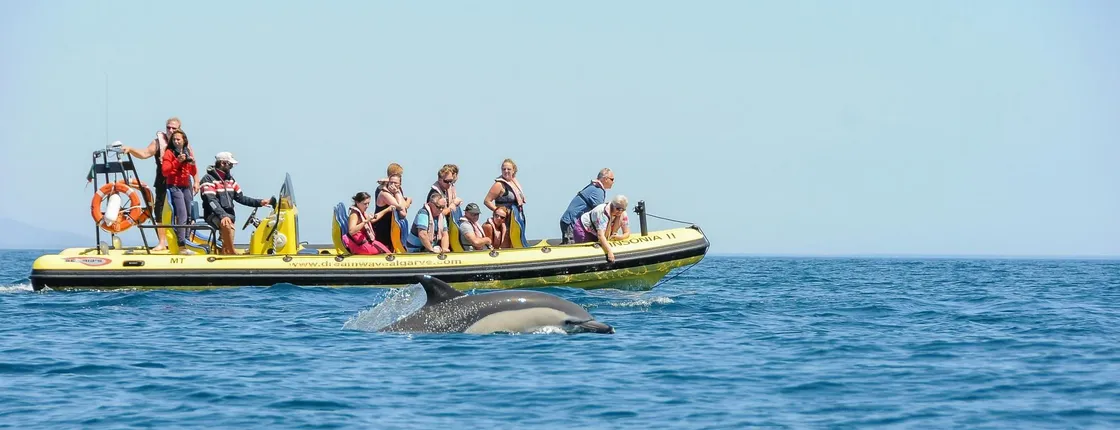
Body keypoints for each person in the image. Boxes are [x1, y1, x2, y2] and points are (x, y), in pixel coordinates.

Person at [121, 117, 194, 251]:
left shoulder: (185, 144)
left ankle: (185, 241)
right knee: (160, 211)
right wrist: (130, 149)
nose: (170, 130)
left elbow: (193, 164)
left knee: (185, 211)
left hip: (183, 181)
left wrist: (197, 180)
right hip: (163, 180)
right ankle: (162, 242)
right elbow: (144, 153)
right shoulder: (158, 143)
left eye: (174, 128)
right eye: (168, 127)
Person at [199, 152, 271, 255]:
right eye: (230, 164)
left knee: (228, 225)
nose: (232, 167)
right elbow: (211, 201)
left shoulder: (230, 180)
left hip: (229, 216)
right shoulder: (208, 179)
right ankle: (231, 252)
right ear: (223, 163)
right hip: (213, 214)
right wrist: (222, 215)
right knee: (227, 225)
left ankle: (225, 252)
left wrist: (260, 202)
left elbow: (241, 198)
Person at [159, 129, 198, 253]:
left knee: (190, 214)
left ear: (184, 140)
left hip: (186, 185)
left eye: (178, 139)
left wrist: (192, 163)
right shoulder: (169, 153)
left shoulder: (187, 151)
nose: (176, 141)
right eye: (174, 139)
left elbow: (193, 171)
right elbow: (165, 171)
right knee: (182, 213)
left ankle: (187, 240)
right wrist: (177, 161)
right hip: (174, 186)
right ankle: (181, 245)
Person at [559, 168, 614, 244]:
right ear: (605, 179)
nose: (613, 182)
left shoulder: (593, 187)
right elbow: (600, 213)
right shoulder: (598, 191)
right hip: (571, 223)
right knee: (571, 245)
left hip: (568, 221)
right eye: (612, 179)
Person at [573, 195, 631, 263]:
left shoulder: (623, 215)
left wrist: (620, 237)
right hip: (584, 228)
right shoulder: (603, 212)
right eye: (618, 209)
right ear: (613, 205)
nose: (620, 211)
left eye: (623, 209)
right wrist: (609, 252)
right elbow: (600, 235)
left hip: (596, 231)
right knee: (585, 253)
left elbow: (627, 233)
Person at [373, 172, 411, 251]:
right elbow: (401, 208)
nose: (393, 185)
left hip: (391, 227)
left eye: (395, 183)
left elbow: (403, 213)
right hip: (382, 227)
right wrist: (398, 194)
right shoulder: (384, 193)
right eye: (391, 182)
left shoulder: (396, 192)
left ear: (400, 184)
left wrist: (399, 193)